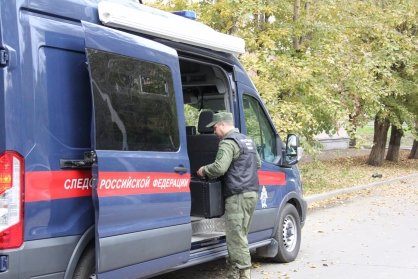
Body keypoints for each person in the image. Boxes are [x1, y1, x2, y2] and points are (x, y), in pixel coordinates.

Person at [197, 111, 261, 279]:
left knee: (236, 238)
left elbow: (219, 168)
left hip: (237, 196)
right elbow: (258, 164)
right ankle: (234, 273)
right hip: (251, 193)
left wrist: (204, 170)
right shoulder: (248, 141)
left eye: (215, 127)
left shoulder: (228, 142)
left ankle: (244, 274)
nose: (214, 131)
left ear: (224, 124)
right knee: (240, 235)